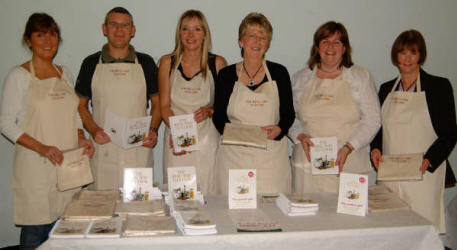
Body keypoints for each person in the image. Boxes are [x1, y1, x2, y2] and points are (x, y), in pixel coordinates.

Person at [0, 13, 94, 249]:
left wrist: (81, 137)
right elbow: (5, 123)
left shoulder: (64, 74)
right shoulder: (19, 76)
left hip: (67, 166)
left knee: (66, 235)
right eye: (40, 35)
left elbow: (74, 115)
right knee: (36, 233)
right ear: (28, 40)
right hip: (36, 169)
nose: (47, 41)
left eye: (52, 35)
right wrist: (42, 148)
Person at [370, 30, 457, 233]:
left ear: (421, 55)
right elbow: (378, 130)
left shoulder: (439, 86)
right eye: (402, 53)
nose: (407, 59)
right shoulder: (385, 89)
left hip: (423, 173)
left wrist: (430, 160)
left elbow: (450, 133)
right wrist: (375, 149)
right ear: (395, 57)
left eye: (413, 52)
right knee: (389, 228)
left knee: (422, 230)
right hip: (390, 173)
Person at [288, 21, 380, 193]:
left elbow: (373, 119)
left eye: (336, 42)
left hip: (348, 165)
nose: (330, 47)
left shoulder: (360, 77)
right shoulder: (300, 78)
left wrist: (350, 146)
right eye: (325, 41)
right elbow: (289, 116)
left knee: (348, 219)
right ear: (317, 47)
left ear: (344, 48)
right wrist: (299, 134)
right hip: (308, 168)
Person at [75, 7, 161, 190]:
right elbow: (80, 105)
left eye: (125, 25)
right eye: (113, 24)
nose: (119, 30)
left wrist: (153, 130)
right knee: (102, 211)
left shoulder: (146, 63)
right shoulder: (90, 63)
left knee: (137, 209)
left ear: (133, 30)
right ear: (104, 29)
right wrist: (93, 129)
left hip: (138, 150)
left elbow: (158, 103)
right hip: (103, 148)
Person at [213, 13, 295, 194]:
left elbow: (288, 114)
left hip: (270, 159)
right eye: (252, 35)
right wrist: (237, 136)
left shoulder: (279, 73)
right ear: (241, 41)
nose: (257, 41)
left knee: (272, 215)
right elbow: (218, 116)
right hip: (234, 157)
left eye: (263, 37)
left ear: (267, 44)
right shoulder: (226, 75)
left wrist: (279, 130)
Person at [158, 10, 227, 195]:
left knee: (208, 193)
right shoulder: (167, 63)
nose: (190, 35)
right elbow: (164, 106)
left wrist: (210, 111)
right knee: (177, 195)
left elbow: (224, 106)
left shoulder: (218, 63)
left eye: (197, 29)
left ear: (205, 34)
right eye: (185, 29)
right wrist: (178, 134)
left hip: (207, 142)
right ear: (179, 33)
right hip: (175, 140)